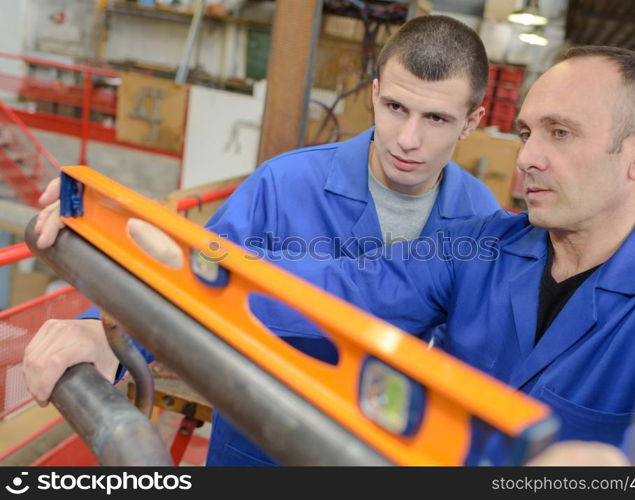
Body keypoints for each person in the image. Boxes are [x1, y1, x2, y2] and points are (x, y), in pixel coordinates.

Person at [25, 15, 500, 466]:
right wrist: (107, 328)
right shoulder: (286, 183)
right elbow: (193, 275)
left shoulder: (483, 221)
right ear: (374, 94)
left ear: (472, 121)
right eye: (396, 108)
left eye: (436, 119)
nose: (407, 139)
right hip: (261, 454)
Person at [241, 45, 635, 464]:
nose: (527, 158)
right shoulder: (480, 247)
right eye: (526, 133)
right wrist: (203, 263)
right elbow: (344, 286)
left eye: (560, 133)